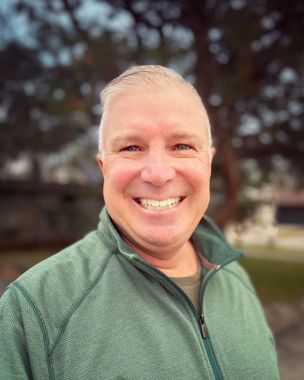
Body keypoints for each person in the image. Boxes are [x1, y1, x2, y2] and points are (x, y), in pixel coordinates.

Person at [0, 65, 279, 379]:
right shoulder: (33, 309)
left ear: (209, 163)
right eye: (131, 147)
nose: (158, 173)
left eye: (182, 146)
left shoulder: (237, 279)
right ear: (104, 167)